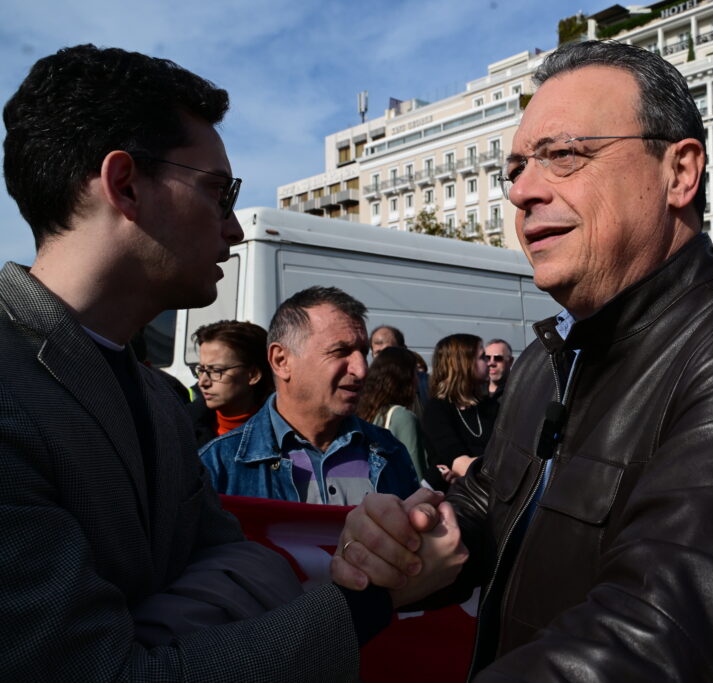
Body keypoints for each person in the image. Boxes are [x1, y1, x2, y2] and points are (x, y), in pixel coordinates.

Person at [335, 40, 713, 681]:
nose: (523, 191)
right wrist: (417, 536)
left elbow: (666, 640)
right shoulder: (544, 359)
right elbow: (493, 501)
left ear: (679, 173)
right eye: (516, 168)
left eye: (563, 155)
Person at [0, 44, 464, 681]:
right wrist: (371, 600)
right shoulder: (11, 394)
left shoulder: (160, 401)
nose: (235, 229)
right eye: (219, 193)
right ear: (125, 185)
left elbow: (247, 565)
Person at [200, 287, 420, 505]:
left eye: (363, 352)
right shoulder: (218, 465)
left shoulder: (389, 451)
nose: (361, 370)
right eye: (340, 352)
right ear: (281, 361)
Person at [421, 333, 497, 491]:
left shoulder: (491, 406)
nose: (490, 362)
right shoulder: (437, 410)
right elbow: (461, 465)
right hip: (456, 500)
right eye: (482, 357)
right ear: (463, 363)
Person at [188, 320, 274, 447]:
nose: (202, 382)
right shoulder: (181, 427)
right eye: (201, 370)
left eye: (216, 371)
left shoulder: (288, 430)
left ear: (253, 375)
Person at [358, 346, 431, 481]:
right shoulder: (403, 417)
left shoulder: (365, 411)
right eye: (415, 373)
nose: (418, 379)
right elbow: (415, 475)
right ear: (404, 377)